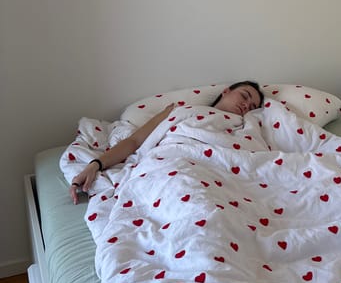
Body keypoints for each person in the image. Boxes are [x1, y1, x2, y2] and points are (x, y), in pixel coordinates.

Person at [69, 81, 263, 204]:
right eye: (244, 96)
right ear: (227, 91)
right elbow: (135, 141)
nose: (246, 105)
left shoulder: (243, 126)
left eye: (252, 106)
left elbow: (249, 156)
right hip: (172, 165)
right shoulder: (181, 110)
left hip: (218, 175)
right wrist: (95, 165)